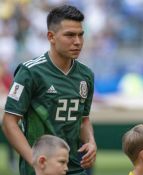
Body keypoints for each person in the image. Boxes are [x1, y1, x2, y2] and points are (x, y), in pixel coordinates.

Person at [1, 5, 97, 175]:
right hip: (40, 170)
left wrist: (91, 141)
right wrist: (33, 160)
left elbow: (84, 119)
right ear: (51, 37)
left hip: (75, 168)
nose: (77, 41)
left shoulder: (86, 75)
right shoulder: (30, 72)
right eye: (70, 35)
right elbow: (9, 122)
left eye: (80, 35)